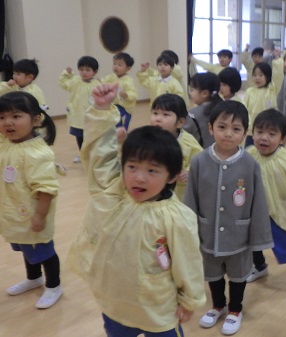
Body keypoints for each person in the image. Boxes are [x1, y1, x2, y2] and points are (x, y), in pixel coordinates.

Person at [67, 83, 205, 336]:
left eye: (152, 170)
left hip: (157, 307)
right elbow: (99, 159)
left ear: (172, 176)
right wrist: (101, 110)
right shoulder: (116, 193)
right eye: (132, 167)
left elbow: (188, 262)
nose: (139, 178)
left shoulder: (177, 217)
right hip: (114, 302)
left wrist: (190, 299)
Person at [184, 100, 273, 335]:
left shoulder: (250, 164)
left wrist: (258, 238)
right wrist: (188, 232)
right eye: (222, 127)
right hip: (207, 233)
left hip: (239, 236)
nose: (228, 134)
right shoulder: (199, 161)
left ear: (245, 133)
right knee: (212, 274)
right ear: (211, 128)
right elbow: (190, 199)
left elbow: (258, 204)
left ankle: (235, 309)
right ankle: (218, 306)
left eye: (236, 129)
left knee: (237, 276)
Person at [0, 91, 62, 309]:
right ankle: (34, 278)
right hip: (15, 214)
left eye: (16, 116)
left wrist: (40, 216)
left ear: (36, 120)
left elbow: (46, 189)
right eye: (2, 117)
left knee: (44, 251)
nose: (7, 122)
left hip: (32, 215)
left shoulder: (38, 154)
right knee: (27, 247)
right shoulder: (8, 143)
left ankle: (54, 285)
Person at [246, 109, 286, 279]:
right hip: (255, 210)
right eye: (259, 132)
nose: (264, 138)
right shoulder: (249, 154)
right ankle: (259, 266)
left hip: (278, 212)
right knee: (252, 241)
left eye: (271, 134)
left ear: (282, 139)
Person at [149, 94, 202, 201]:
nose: (158, 119)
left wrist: (189, 171)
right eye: (155, 113)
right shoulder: (148, 138)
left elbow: (201, 160)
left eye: (165, 114)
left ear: (180, 122)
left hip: (178, 195)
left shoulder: (187, 141)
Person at [59, 55, 101, 163]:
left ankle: (93, 155)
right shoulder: (75, 81)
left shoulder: (97, 85)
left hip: (91, 118)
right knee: (79, 137)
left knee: (92, 138)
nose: (84, 72)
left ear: (94, 72)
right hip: (77, 117)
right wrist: (66, 74)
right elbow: (64, 84)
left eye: (88, 70)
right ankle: (83, 155)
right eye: (81, 69)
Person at [244, 62, 283, 146]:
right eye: (255, 75)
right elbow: (244, 109)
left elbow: (279, 76)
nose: (257, 78)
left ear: (268, 77)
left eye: (261, 75)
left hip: (268, 129)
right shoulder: (249, 91)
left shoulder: (272, 89)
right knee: (249, 152)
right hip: (252, 130)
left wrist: (277, 61)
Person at [184, 72, 223, 147]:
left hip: (202, 154)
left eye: (192, 90)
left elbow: (184, 134)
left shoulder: (193, 114)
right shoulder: (225, 108)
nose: (190, 93)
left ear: (204, 93)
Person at [101, 52, 137, 130]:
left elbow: (133, 94)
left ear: (128, 68)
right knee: (113, 123)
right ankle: (115, 136)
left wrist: (126, 95)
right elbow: (103, 82)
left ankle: (123, 137)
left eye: (120, 65)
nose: (116, 67)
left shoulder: (129, 80)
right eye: (114, 64)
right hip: (113, 106)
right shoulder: (111, 77)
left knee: (122, 126)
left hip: (125, 108)